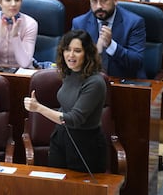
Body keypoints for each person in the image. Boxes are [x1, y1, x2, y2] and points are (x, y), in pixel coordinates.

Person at [24, 29, 107, 173]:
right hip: (61, 137)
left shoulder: (95, 83)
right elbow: (65, 106)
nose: (71, 55)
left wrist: (38, 108)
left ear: (87, 53)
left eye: (77, 50)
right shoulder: (69, 73)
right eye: (67, 50)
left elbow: (74, 119)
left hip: (85, 144)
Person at [72, 0, 146, 79]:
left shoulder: (134, 22)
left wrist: (111, 45)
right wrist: (94, 53)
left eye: (104, 0)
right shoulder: (80, 23)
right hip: (91, 83)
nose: (99, 6)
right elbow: (73, 58)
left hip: (124, 82)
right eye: (94, 1)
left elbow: (136, 61)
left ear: (115, 0)